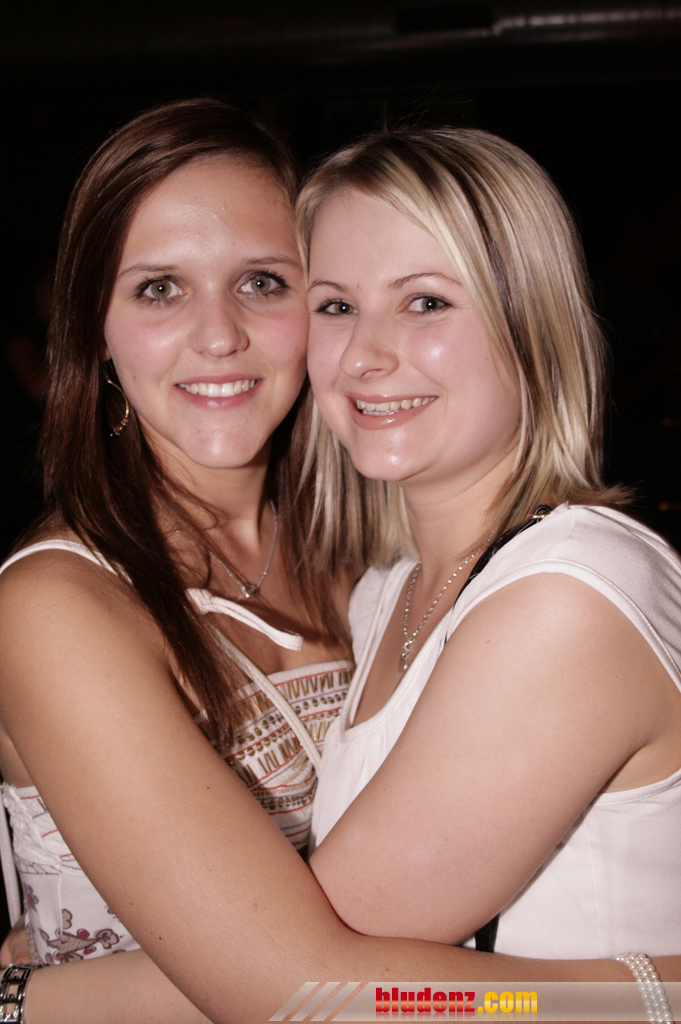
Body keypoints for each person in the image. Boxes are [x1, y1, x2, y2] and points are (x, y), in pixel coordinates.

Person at [1, 118, 679, 1024]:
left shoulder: (365, 576)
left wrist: (38, 998)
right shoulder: (59, 605)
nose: (217, 335)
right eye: (159, 289)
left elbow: (300, 976)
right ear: (95, 329)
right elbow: (292, 979)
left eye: (262, 283)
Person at [300, 126, 681, 959]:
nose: (363, 355)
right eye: (335, 306)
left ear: (530, 325)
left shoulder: (571, 593)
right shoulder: (384, 593)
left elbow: (302, 973)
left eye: (425, 302)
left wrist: (32, 994)